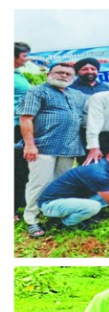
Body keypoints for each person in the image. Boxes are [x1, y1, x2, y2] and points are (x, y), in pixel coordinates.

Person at [18, 63, 87, 237]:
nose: (63, 76)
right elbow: (26, 119)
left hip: (69, 147)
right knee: (39, 183)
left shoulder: (78, 95)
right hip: (43, 147)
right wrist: (29, 144)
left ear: (73, 78)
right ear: (49, 74)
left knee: (60, 184)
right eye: (59, 72)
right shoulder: (37, 91)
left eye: (68, 74)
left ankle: (54, 214)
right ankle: (31, 219)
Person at [69, 57, 109, 166]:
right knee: (88, 161)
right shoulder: (71, 88)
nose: (90, 71)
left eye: (93, 69)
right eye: (85, 69)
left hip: (107, 130)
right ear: (77, 72)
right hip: (83, 130)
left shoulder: (104, 87)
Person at [14, 42, 32, 220]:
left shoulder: (17, 74)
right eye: (25, 55)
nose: (27, 59)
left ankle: (23, 201)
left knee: (24, 167)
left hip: (21, 125)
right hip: (13, 126)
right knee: (15, 169)